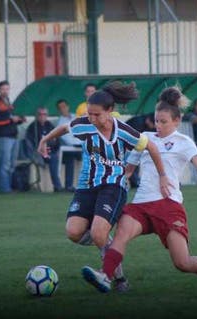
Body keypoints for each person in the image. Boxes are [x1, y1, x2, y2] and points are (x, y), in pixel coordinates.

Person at [80, 87, 197, 293]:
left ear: (177, 121)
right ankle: (106, 275)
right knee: (121, 234)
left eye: (163, 121)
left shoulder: (184, 142)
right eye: (156, 120)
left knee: (182, 262)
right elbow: (128, 170)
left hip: (169, 205)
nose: (159, 125)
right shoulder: (146, 138)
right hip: (141, 204)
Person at [38, 81, 171, 292]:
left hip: (114, 186)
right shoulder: (84, 125)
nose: (92, 118)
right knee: (73, 232)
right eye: (89, 114)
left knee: (98, 233)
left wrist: (163, 176)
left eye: (97, 114)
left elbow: (152, 147)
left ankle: (115, 279)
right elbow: (65, 127)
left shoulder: (125, 131)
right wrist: (45, 139)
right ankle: (108, 245)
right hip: (87, 186)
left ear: (110, 111)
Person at [0, 80, 25, 193]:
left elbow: (13, 121)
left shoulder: (10, 104)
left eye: (7, 89)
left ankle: (9, 187)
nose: (5, 91)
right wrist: (10, 120)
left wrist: (20, 120)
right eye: (3, 89)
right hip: (4, 137)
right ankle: (4, 188)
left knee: (12, 164)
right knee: (5, 164)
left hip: (14, 136)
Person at [26, 107, 63, 192]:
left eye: (44, 114)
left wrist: (54, 148)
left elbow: (57, 140)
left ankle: (58, 187)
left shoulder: (50, 125)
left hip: (50, 152)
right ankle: (55, 186)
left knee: (55, 158)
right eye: (40, 114)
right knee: (50, 158)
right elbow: (29, 143)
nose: (42, 116)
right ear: (37, 116)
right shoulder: (32, 127)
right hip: (37, 153)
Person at [56, 99, 81, 192]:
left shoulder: (76, 117)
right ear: (59, 110)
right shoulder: (60, 122)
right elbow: (64, 138)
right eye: (60, 108)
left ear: (68, 106)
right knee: (69, 158)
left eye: (64, 106)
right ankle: (69, 185)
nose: (63, 109)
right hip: (70, 147)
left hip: (81, 144)